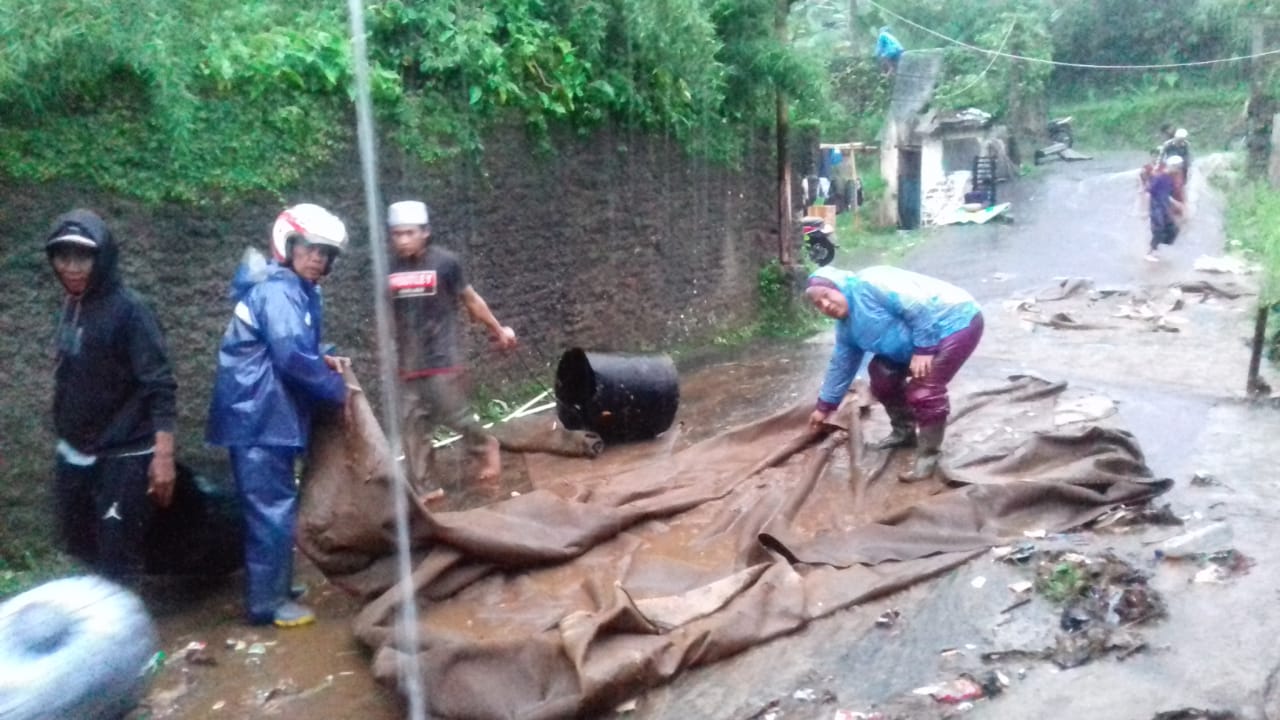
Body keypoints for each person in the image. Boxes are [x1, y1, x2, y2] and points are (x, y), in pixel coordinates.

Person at [206, 203, 350, 628]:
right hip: (259, 415)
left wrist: (324, 358)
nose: (318, 259)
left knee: (276, 505)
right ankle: (267, 604)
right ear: (288, 244)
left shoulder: (291, 288)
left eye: (325, 254)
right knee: (271, 507)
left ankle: (276, 587)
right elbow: (290, 356)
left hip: (265, 412)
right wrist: (336, 391)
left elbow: (295, 348)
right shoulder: (278, 289)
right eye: (310, 249)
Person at [45, 209, 177, 579]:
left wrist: (163, 457)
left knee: (117, 558)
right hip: (77, 450)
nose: (72, 267)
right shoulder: (73, 305)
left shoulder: (130, 311)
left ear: (102, 258)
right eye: (63, 256)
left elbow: (160, 384)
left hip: (125, 453)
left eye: (83, 256)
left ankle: (125, 631)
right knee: (80, 546)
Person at [386, 200, 516, 497]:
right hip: (408, 361)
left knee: (454, 414)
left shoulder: (446, 263)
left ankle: (486, 446)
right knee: (412, 426)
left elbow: (471, 300)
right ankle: (425, 486)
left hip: (443, 357)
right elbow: (388, 314)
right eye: (396, 234)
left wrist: (498, 330)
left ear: (425, 232)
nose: (403, 240)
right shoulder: (389, 269)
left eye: (409, 233)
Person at [805, 265, 983, 482]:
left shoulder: (870, 285)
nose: (825, 305)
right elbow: (841, 366)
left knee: (924, 390)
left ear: (839, 288)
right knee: (881, 376)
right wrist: (825, 407)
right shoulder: (846, 329)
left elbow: (917, 306)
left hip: (955, 323)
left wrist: (924, 349)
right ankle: (904, 432)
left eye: (826, 295)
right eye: (818, 304)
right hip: (914, 342)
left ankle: (928, 456)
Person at [1146, 157, 1185, 262]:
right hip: (1156, 207)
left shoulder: (1169, 179)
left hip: (1164, 206)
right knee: (1158, 229)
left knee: (1173, 229)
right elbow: (1149, 192)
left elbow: (1167, 194)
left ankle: (1156, 246)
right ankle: (1150, 252)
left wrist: (1176, 203)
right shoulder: (1159, 177)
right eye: (1177, 168)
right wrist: (1146, 209)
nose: (1178, 171)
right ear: (1172, 167)